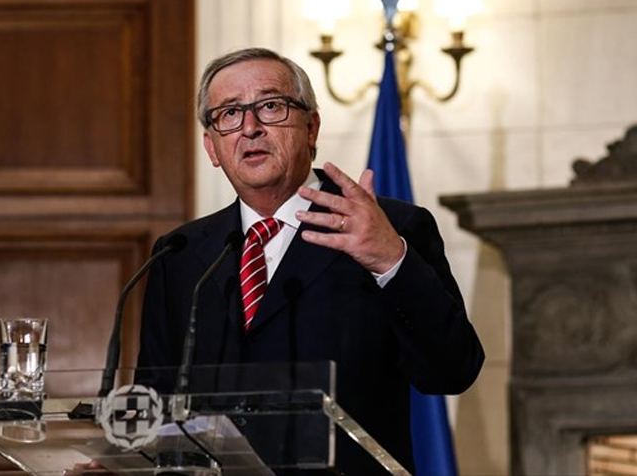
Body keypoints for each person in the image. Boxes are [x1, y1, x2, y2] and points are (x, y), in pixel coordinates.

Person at [136, 47, 484, 475]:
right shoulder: (180, 253)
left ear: (311, 127)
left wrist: (390, 260)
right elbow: (155, 398)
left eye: (270, 106)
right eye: (229, 113)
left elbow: (452, 371)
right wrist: (126, 460)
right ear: (212, 147)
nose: (250, 127)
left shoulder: (391, 228)